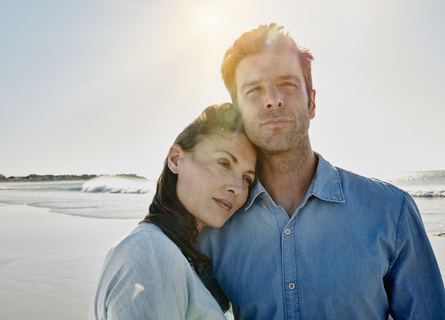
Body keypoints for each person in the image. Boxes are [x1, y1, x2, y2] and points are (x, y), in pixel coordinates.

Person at [197, 23, 445, 319]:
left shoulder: (393, 212)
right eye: (254, 90)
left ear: (311, 103)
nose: (272, 99)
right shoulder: (215, 227)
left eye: (287, 85)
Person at [93, 102, 257, 319]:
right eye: (224, 163)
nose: (236, 188)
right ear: (175, 160)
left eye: (247, 179)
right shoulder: (151, 252)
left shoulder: (169, 250)